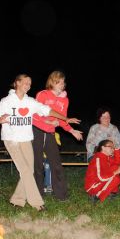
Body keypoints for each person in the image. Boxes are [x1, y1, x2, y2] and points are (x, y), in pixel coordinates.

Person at [0, 73, 80, 211]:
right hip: (11, 139)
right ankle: (37, 202)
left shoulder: (30, 102)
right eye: (25, 82)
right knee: (25, 170)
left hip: (26, 139)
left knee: (29, 170)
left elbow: (48, 111)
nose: (28, 86)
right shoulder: (6, 102)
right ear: (17, 83)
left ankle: (17, 200)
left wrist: (65, 119)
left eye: (30, 83)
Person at [32, 70, 83, 201]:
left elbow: (62, 120)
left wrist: (72, 131)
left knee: (56, 164)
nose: (62, 84)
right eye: (58, 82)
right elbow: (35, 114)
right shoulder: (43, 94)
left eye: (63, 82)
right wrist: (47, 121)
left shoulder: (64, 100)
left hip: (50, 133)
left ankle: (61, 195)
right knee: (38, 165)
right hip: (37, 131)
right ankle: (37, 195)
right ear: (52, 82)